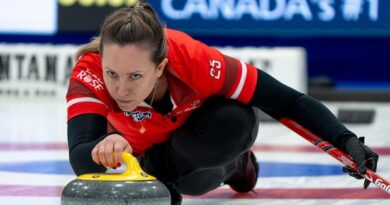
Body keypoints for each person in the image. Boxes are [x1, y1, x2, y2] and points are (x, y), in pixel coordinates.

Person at [66, 3, 378, 205]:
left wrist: (346, 140)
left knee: (235, 121)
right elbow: (81, 157)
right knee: (194, 183)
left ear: (161, 67)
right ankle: (174, 173)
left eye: (135, 75)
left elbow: (287, 102)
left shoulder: (195, 61)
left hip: (195, 143)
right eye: (112, 74)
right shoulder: (88, 71)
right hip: (160, 160)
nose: (121, 89)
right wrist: (105, 146)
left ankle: (238, 165)